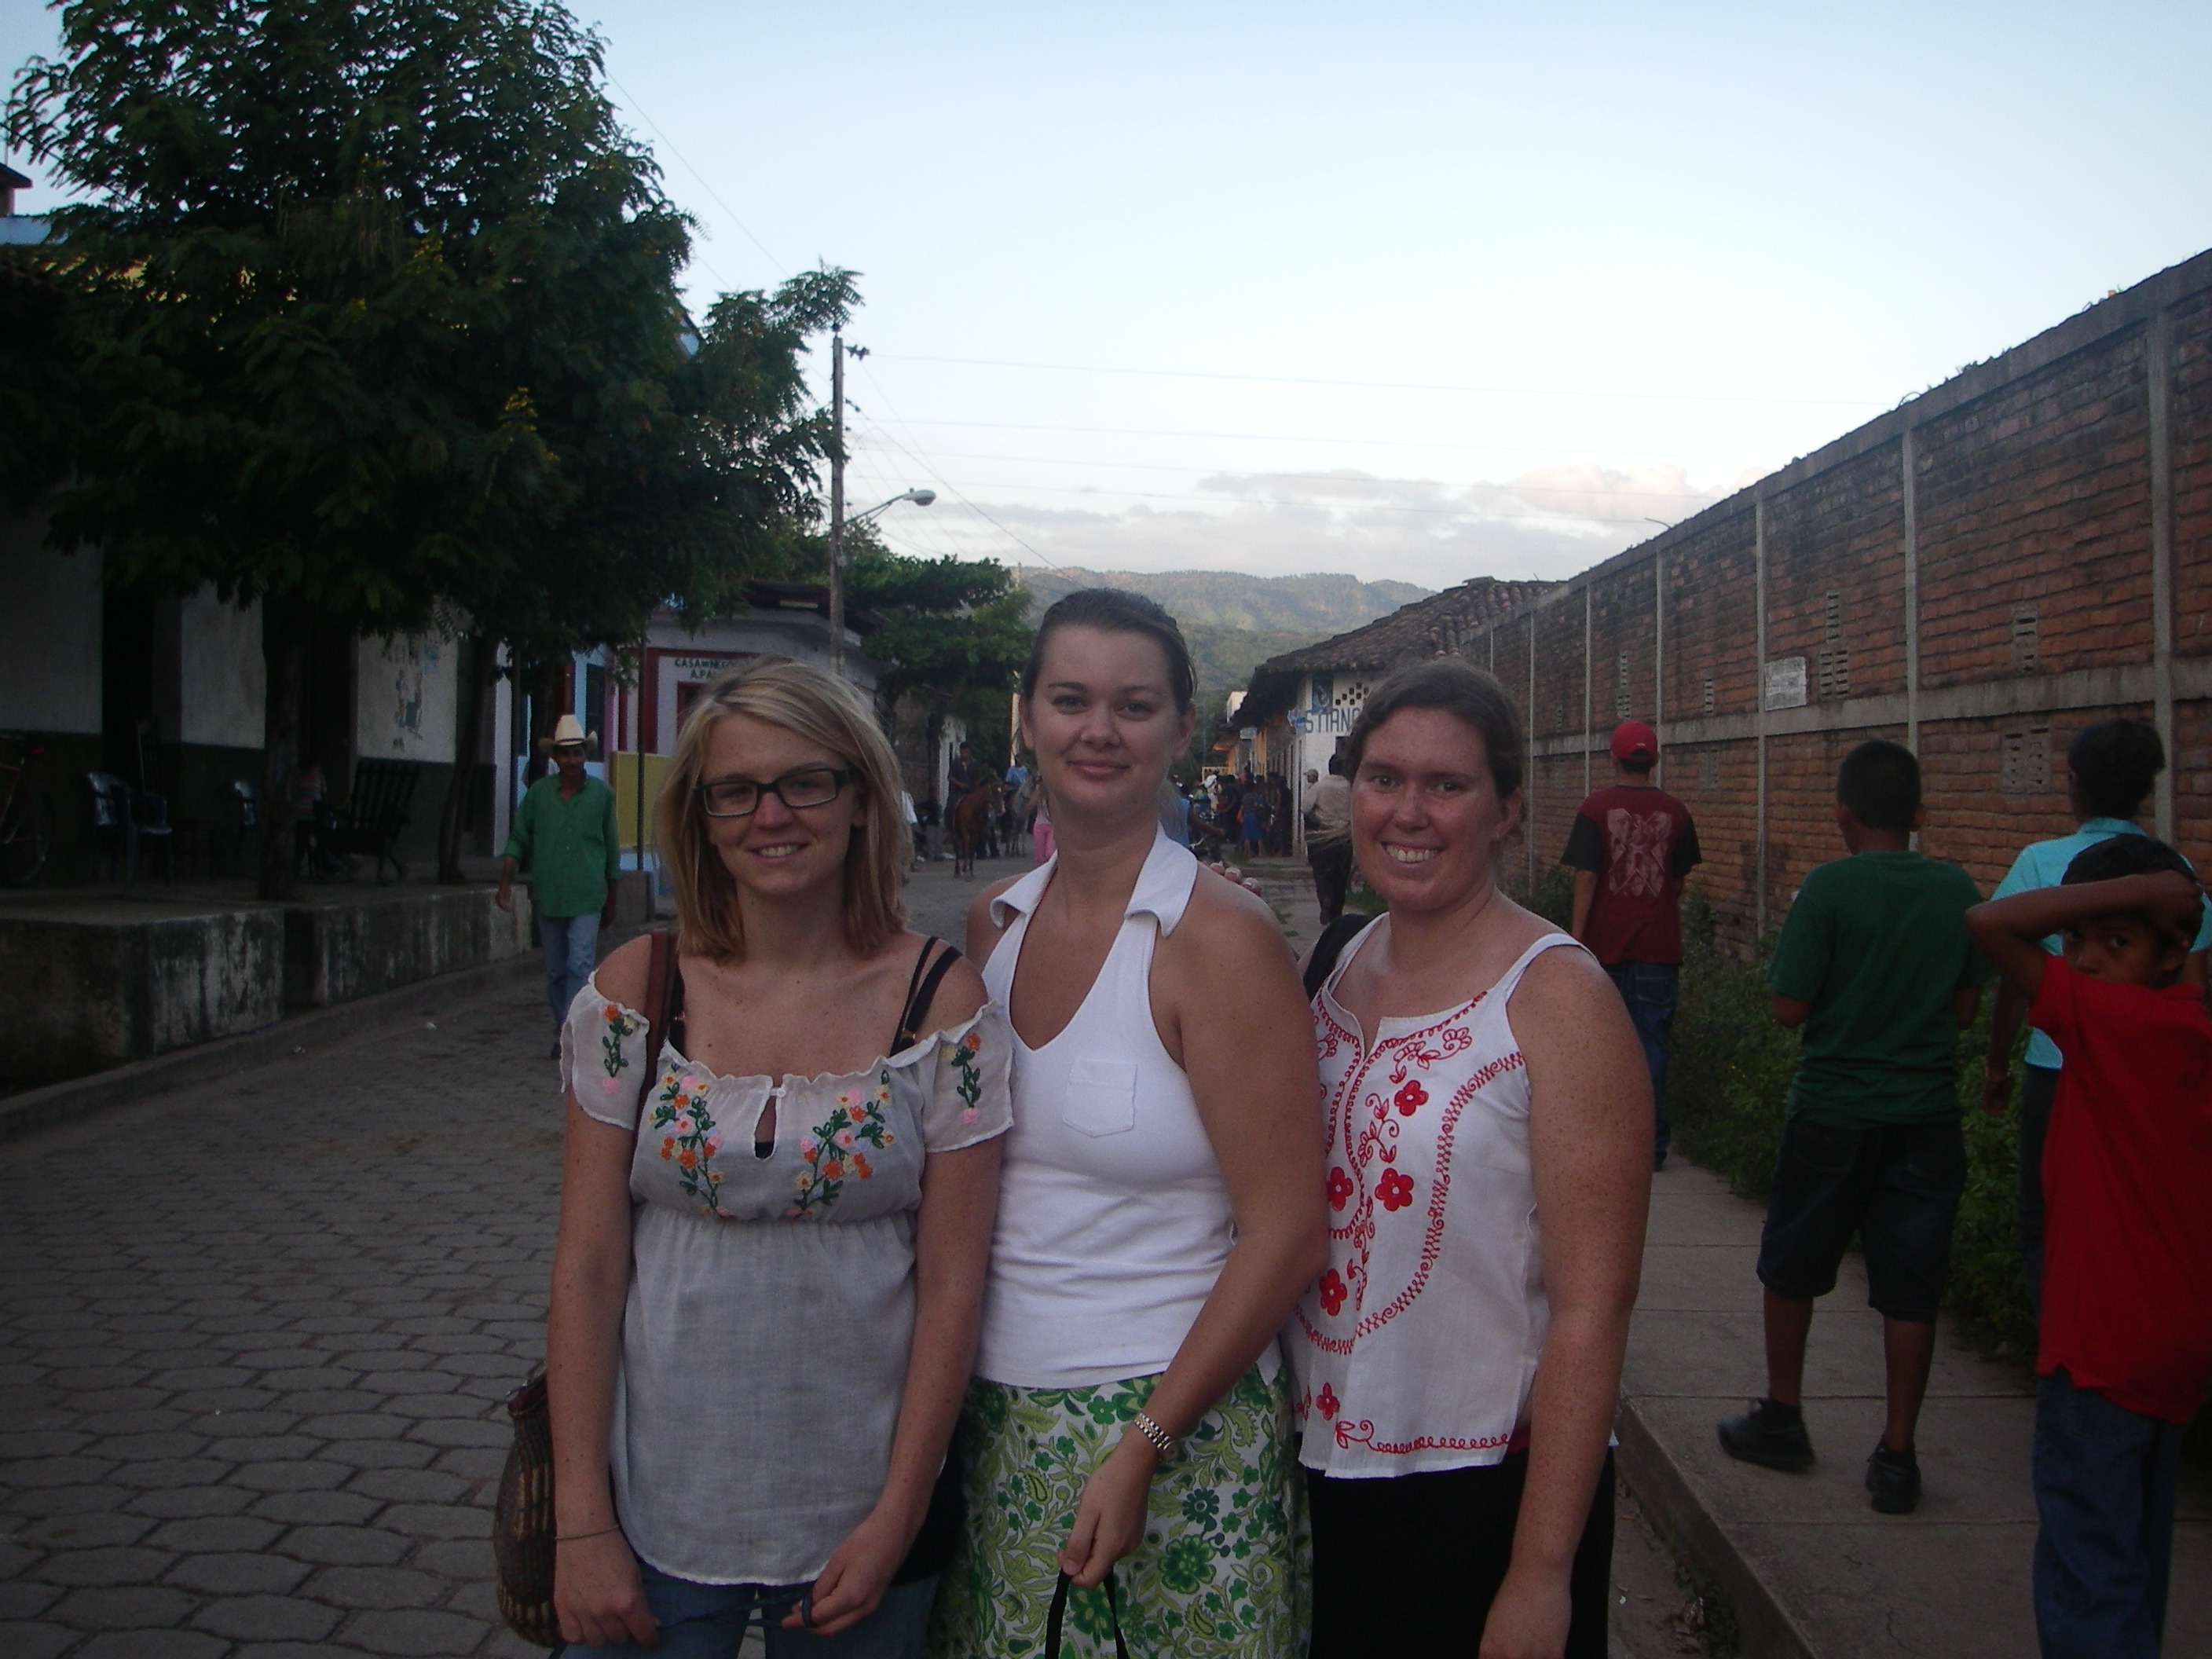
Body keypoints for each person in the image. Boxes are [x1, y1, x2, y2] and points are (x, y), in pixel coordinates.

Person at [545, 660, 1012, 1658]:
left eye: (805, 782)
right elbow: (586, 1263)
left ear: (860, 798)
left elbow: (953, 1280)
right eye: (736, 790)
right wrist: (580, 1521)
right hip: (651, 1507)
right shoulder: (636, 991)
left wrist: (898, 1516)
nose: (771, 816)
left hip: (860, 1515)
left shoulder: (943, 1003)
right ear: (701, 816)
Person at [932, 589, 1327, 1658]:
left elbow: (1288, 1231)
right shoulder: (994, 926)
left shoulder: (1220, 940)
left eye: (1134, 705)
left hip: (1174, 1426)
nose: (1098, 730)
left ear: (1181, 728)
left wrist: (1147, 1443)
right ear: (1026, 717)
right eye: (1069, 700)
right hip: (997, 1419)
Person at [1290, 660, 1650, 1659]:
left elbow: (1592, 1309)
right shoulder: (1336, 963)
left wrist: (1538, 1575)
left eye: (1446, 785)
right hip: (1322, 1466)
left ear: (1504, 811)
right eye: (1383, 778)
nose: (1407, 813)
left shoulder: (1557, 1001)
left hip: (1481, 1492)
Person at [1716, 740, 1994, 1514]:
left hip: (1831, 1113)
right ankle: (1897, 1456)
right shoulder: (1955, 889)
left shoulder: (1828, 890)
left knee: (1792, 1266)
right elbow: (1966, 1008)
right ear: (1918, 813)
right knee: (1911, 1289)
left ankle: (1783, 1417)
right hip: (1926, 1118)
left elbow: (1787, 1008)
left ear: (1841, 812)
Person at [1967, 837, 2212, 1659]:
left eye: (2118, 941)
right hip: (2169, 1347)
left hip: (2098, 1344)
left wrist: (2142, 887)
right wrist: (2148, 905)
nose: (2087, 961)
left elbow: (1989, 924)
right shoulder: (2187, 1029)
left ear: (2172, 951)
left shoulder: (2115, 1025)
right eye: (2076, 943)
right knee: (2133, 1554)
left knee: (2088, 1575)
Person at [1979, 719, 2211, 1306]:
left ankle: (2063, 1331)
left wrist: (1997, 1062)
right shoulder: (2175, 877)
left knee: (2047, 1217)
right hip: (2153, 1074)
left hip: (2056, 1071)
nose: (2086, 958)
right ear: (2147, 788)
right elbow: (2194, 984)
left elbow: (2013, 979)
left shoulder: (2041, 863)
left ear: (2073, 783)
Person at [1560, 720, 1701, 1170]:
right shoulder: (1676, 812)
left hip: (1604, 947)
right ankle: (1651, 1146)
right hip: (1658, 948)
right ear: (1654, 760)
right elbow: (1676, 881)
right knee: (1651, 1047)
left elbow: (1587, 876)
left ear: (1613, 759)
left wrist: (1575, 939)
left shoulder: (1595, 808)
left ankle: (1599, 1135)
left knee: (1598, 1046)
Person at [500, 714, 622, 1058]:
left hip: (587, 894)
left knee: (579, 966)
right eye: (565, 753)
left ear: (585, 754)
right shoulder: (539, 795)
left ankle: (572, 1035)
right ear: (555, 757)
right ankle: (562, 1027)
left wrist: (612, 895)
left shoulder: (601, 795)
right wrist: (505, 879)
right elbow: (519, 837)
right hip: (550, 894)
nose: (571, 760)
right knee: (555, 971)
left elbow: (611, 848)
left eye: (577, 753)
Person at [1304, 753, 1353, 925]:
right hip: (1344, 837)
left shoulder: (1320, 787)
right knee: (1341, 876)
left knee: (1322, 874)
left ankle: (1325, 898)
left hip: (1323, 837)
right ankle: (1336, 914)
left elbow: (1305, 808)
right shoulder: (1351, 787)